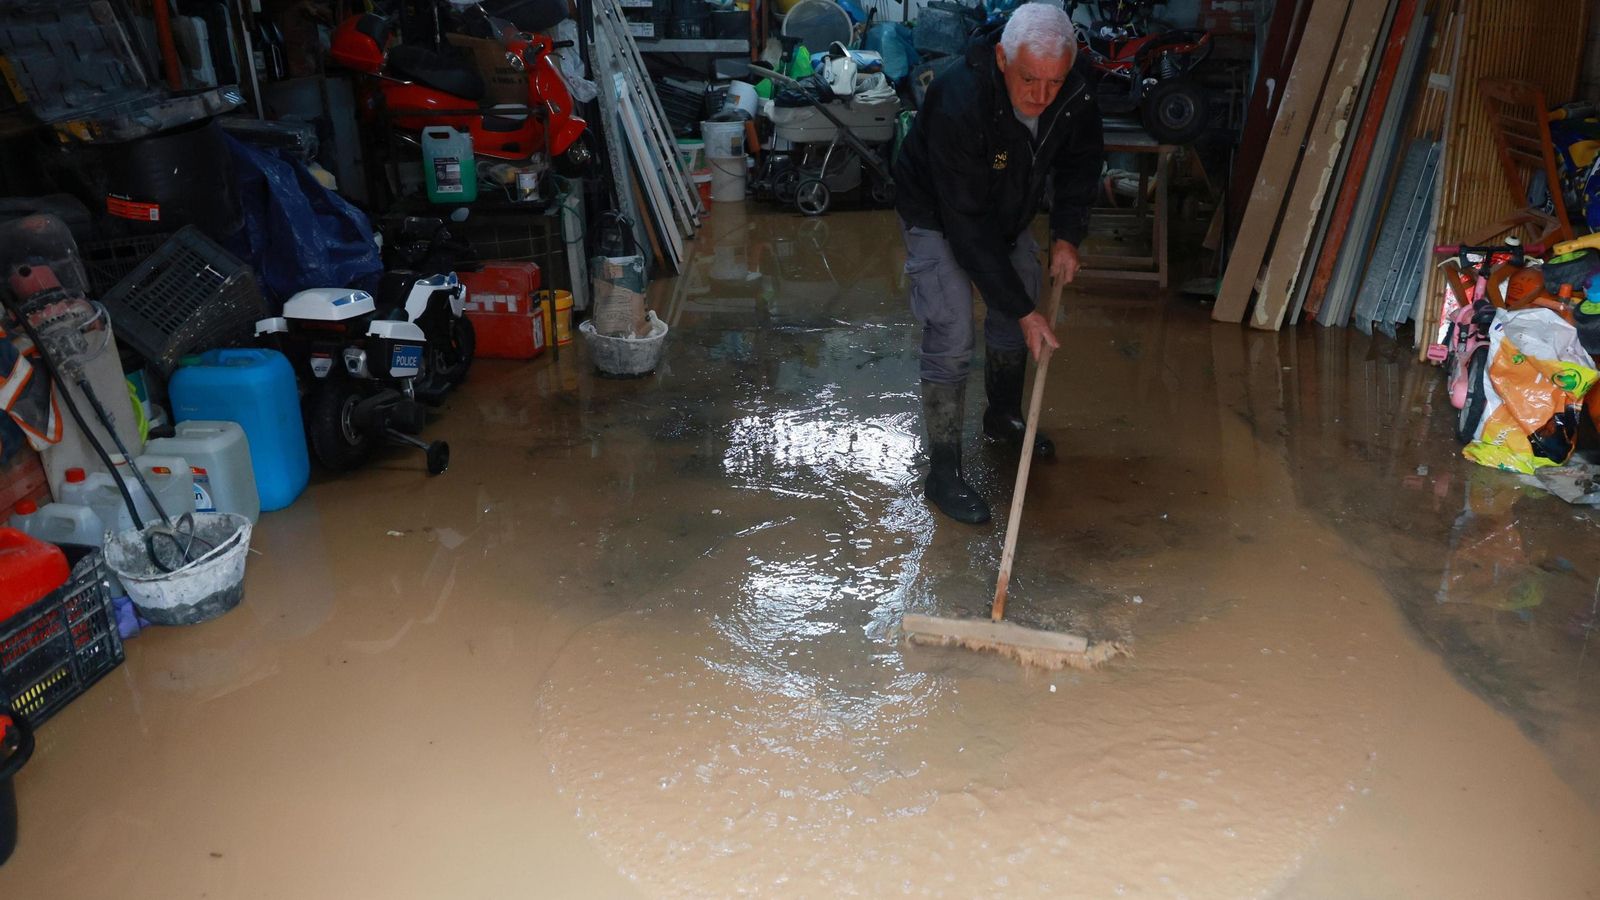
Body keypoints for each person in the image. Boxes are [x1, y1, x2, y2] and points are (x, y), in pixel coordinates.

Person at [893, 2, 1103, 525]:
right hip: (940, 214)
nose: (1040, 95)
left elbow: (1081, 161)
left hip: (1008, 211)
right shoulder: (958, 97)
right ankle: (943, 469)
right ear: (1003, 57)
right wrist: (1024, 309)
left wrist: (1067, 235)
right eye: (1030, 79)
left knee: (1020, 300)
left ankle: (1002, 415)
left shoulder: (1073, 91)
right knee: (952, 326)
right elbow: (965, 225)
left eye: (1054, 82)